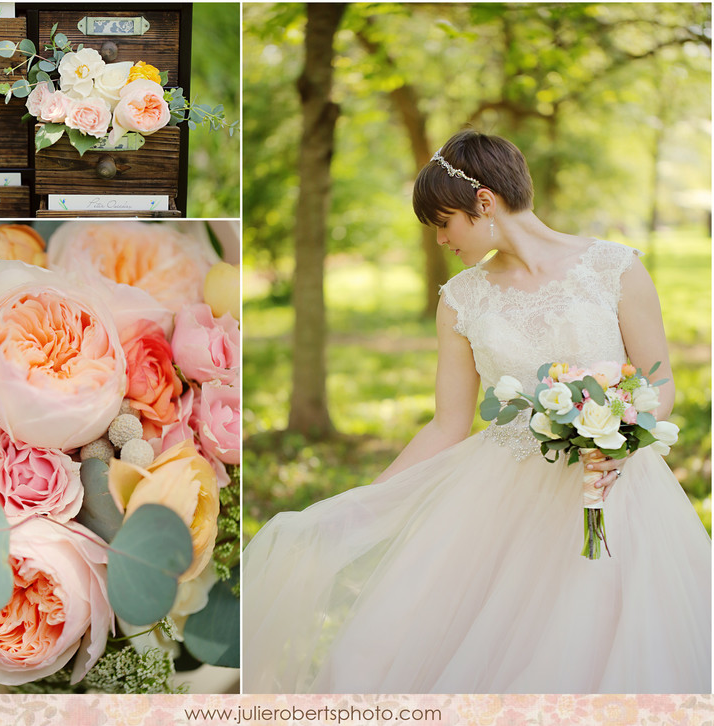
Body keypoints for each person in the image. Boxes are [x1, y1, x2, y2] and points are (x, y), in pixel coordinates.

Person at [243, 130, 711, 694]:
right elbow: (448, 425)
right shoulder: (461, 299)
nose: (440, 239)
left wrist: (623, 437)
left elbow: (658, 377)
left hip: (619, 493)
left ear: (483, 203)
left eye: (444, 222)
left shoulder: (615, 269)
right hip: (499, 502)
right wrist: (362, 506)